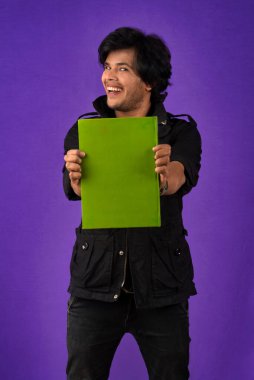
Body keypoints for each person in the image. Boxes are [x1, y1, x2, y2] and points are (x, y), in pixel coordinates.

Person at [63, 27, 202, 380]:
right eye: (107, 66)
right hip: (95, 284)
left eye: (122, 68)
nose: (108, 76)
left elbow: (178, 177)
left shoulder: (180, 132)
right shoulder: (84, 130)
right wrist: (77, 180)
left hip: (161, 288)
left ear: (149, 81)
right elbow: (74, 188)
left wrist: (164, 174)